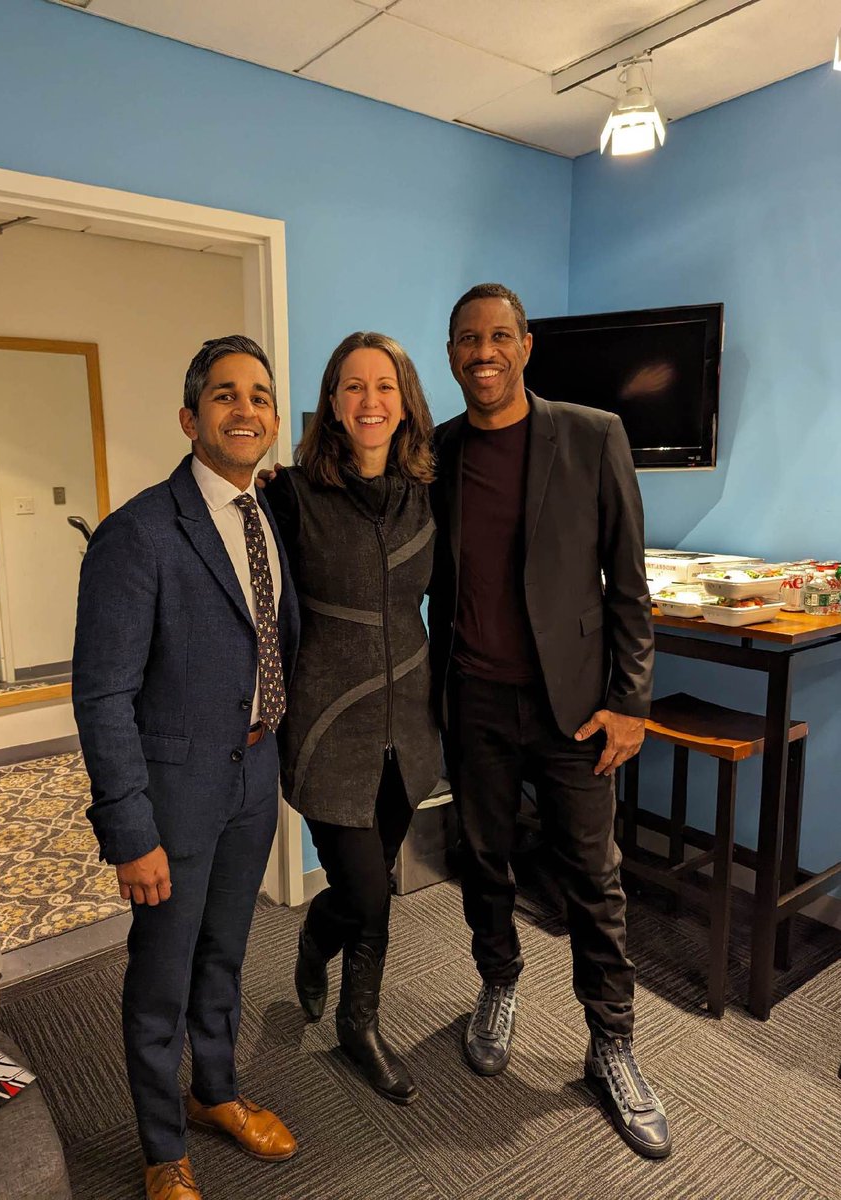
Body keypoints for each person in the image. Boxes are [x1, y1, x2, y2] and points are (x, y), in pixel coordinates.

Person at [428, 283, 671, 1159]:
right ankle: (498, 980)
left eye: (499, 336)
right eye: (466, 339)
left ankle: (612, 1043)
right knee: (482, 859)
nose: (482, 352)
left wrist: (631, 702)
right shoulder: (439, 451)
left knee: (593, 880)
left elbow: (629, 586)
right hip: (475, 701)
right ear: (450, 353)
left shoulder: (593, 433)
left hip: (576, 709)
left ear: (527, 346)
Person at [72, 335, 300, 1200]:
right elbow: (102, 697)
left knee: (226, 957)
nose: (246, 409)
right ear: (189, 417)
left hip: (253, 778)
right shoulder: (137, 534)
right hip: (172, 798)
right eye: (224, 395)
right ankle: (163, 1147)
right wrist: (130, 831)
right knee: (160, 977)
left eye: (259, 396)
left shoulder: (267, 513)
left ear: (273, 420)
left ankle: (216, 1094)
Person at [264, 331, 440, 1105]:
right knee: (367, 893)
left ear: (405, 403)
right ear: (332, 403)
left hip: (409, 729)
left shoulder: (428, 494)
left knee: (369, 889)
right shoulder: (291, 495)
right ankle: (354, 1020)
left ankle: (325, 952)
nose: (371, 401)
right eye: (354, 386)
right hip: (330, 730)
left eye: (385, 386)